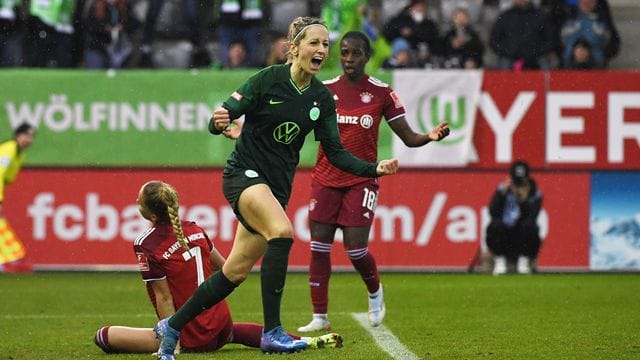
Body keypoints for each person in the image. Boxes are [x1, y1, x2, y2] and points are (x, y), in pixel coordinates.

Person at [152, 16, 399, 360]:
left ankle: (172, 326)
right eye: (314, 43)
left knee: (234, 272)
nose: (321, 50)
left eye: (325, 44)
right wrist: (218, 120)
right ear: (294, 48)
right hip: (244, 176)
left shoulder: (321, 99)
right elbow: (223, 115)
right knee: (282, 232)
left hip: (276, 188)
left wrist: (374, 167)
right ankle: (272, 332)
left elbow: (338, 154)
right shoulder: (267, 80)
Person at [297, 31, 450, 332]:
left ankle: (375, 293)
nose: (349, 59)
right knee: (319, 248)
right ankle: (319, 316)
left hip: (362, 179)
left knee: (355, 249)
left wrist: (428, 137)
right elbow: (294, 122)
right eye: (344, 53)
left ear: (367, 57)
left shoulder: (382, 93)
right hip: (325, 179)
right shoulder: (323, 89)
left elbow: (408, 137)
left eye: (356, 54)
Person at [93, 180, 342, 354]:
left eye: (138, 199)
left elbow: (164, 296)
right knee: (234, 332)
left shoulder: (145, 244)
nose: (136, 200)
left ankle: (176, 338)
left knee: (102, 337)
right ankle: (304, 340)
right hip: (221, 328)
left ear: (150, 214)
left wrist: (173, 342)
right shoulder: (194, 229)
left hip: (189, 336)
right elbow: (224, 269)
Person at [486, 160, 542, 275]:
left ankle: (524, 261)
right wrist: (501, 194)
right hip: (505, 235)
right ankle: (499, 261)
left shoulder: (534, 193)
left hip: (521, 235)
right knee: (494, 225)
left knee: (530, 226)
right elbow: (493, 212)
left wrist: (523, 199)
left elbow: (532, 216)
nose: (517, 184)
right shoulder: (502, 190)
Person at [0, 123, 36, 273]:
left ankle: (10, 259)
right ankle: (10, 259)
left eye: (32, 137)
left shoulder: (19, 154)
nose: (29, 139)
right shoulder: (9, 149)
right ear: (18, 135)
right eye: (26, 135)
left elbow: (8, 179)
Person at [489, 0, 556, 70]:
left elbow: (551, 40)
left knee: (545, 68)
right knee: (504, 65)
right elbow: (494, 40)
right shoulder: (505, 16)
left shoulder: (541, 16)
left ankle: (548, 81)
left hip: (536, 56)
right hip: (510, 57)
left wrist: (536, 52)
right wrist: (509, 52)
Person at [560, 0, 620, 69]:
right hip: (567, 69)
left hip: (597, 69)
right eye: (584, 1)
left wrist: (596, 54)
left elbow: (614, 43)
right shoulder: (565, 17)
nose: (587, 2)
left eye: (590, 1)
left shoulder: (603, 20)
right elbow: (555, 42)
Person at [382, 0, 442, 68]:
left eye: (422, 7)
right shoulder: (400, 20)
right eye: (417, 6)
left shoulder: (429, 24)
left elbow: (435, 39)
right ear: (411, 7)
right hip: (402, 59)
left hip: (424, 58)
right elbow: (387, 33)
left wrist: (414, 33)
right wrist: (401, 32)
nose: (420, 9)